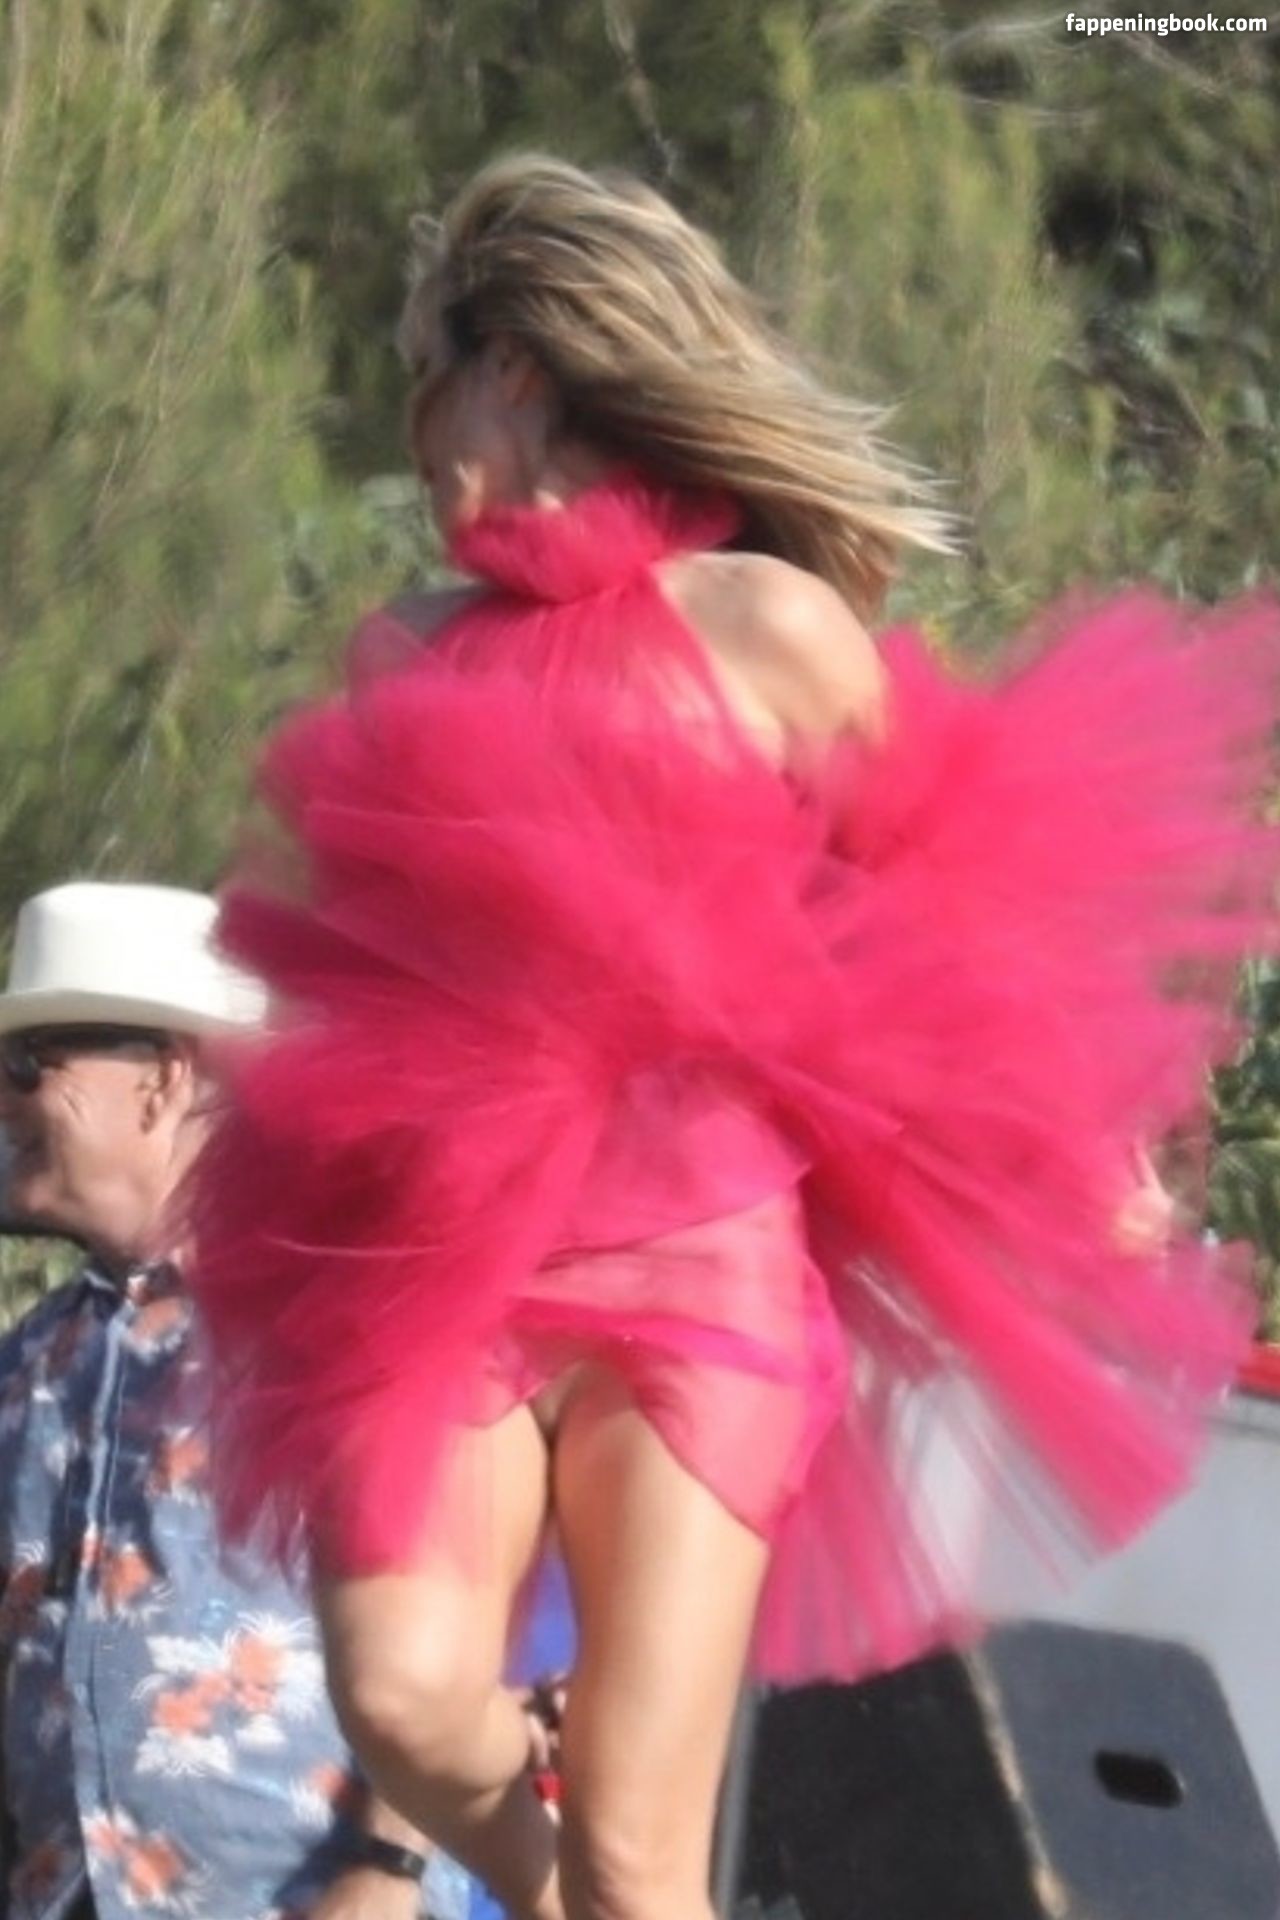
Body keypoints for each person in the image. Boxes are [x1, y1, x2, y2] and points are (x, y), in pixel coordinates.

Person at [188, 155, 1278, 1920]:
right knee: (404, 1697)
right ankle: (542, 1897)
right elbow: (368, 981)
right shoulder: (409, 651)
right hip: (445, 1272)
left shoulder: (769, 627)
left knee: (642, 1844)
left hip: (699, 1272)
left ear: (514, 370)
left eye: (425, 373)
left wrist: (1081, 1160)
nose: (412, 428)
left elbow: (952, 918)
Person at [0, 882, 474, 1920]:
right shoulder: (29, 1362)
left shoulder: (336, 1313)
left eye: (31, 1064)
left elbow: (475, 1599)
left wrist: (387, 1870)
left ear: (164, 1080)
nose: (3, 1101)